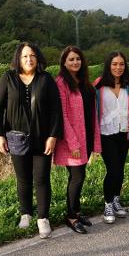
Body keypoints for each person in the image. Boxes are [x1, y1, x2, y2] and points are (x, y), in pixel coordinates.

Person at [0, 42, 63, 239]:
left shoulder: (46, 79)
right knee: (23, 179)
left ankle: (43, 218)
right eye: (24, 56)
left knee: (41, 179)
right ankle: (26, 213)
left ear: (37, 57)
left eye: (32, 55)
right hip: (16, 138)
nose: (29, 59)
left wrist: (53, 136)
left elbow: (56, 109)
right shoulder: (8, 78)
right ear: (18, 59)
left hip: (42, 138)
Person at [54, 46, 101, 234]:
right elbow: (62, 115)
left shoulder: (84, 82)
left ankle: (76, 210)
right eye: (71, 59)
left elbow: (91, 111)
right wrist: (73, 143)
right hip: (72, 141)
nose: (75, 62)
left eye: (78, 59)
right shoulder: (61, 83)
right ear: (64, 62)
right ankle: (71, 216)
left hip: (87, 136)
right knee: (77, 177)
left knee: (80, 176)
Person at [94, 51, 129, 224]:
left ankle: (116, 199)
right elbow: (93, 109)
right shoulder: (99, 85)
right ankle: (107, 203)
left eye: (121, 64)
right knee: (113, 169)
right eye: (114, 64)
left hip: (124, 132)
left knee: (120, 169)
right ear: (108, 65)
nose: (118, 67)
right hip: (105, 133)